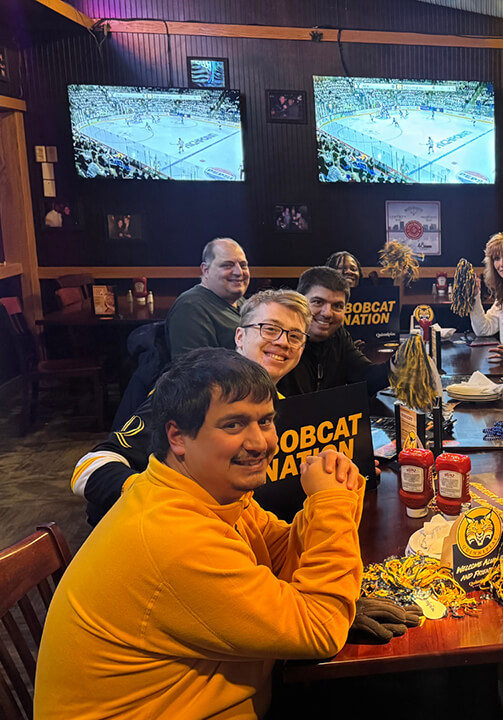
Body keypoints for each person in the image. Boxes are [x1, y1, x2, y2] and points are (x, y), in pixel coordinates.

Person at [37, 349, 365, 719]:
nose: (260, 442)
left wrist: (330, 499)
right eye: (234, 425)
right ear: (177, 436)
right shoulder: (175, 535)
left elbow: (278, 554)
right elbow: (320, 629)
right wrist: (332, 503)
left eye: (266, 420)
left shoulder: (202, 491)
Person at [72, 290, 311, 526]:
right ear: (239, 336)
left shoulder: (284, 403)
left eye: (295, 336)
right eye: (269, 329)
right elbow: (93, 465)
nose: (282, 342)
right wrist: (170, 504)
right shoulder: (197, 386)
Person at [278, 266, 389, 396]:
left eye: (337, 306)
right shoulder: (278, 339)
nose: (327, 313)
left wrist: (399, 363)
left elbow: (366, 379)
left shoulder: (339, 335)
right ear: (299, 302)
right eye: (318, 302)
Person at [166, 238, 250, 358]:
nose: (239, 272)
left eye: (243, 265)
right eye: (227, 265)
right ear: (206, 270)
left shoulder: (242, 302)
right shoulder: (190, 307)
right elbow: (194, 370)